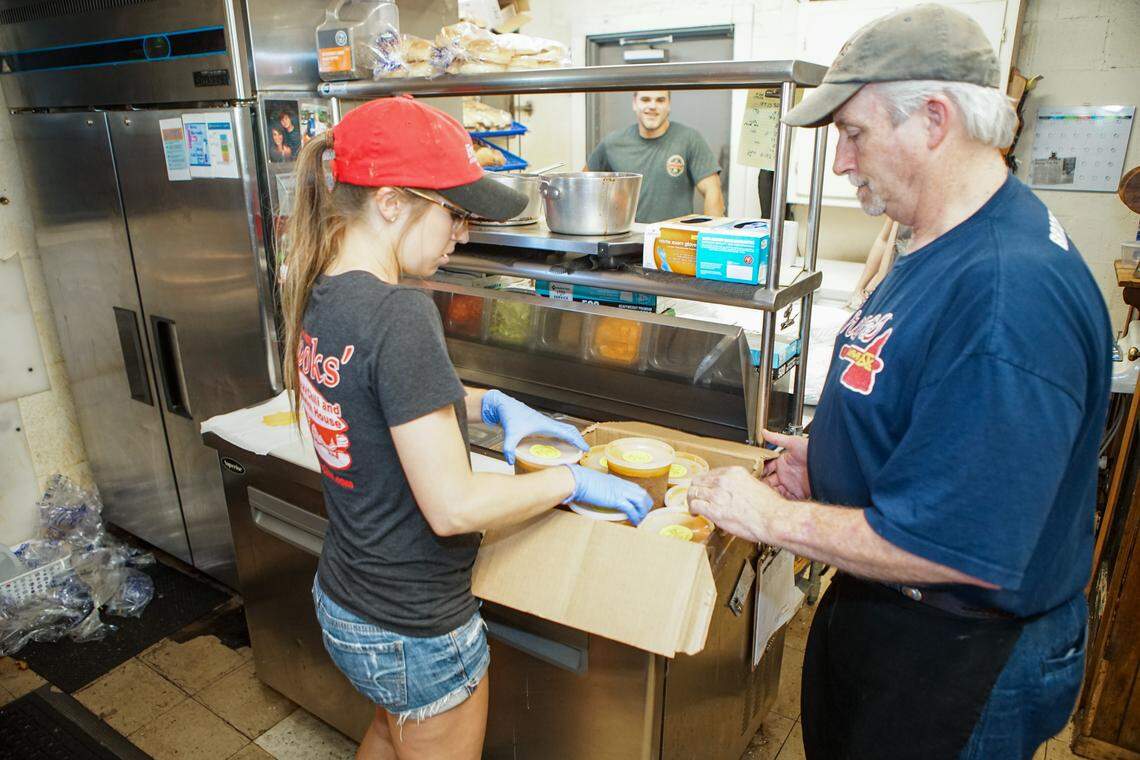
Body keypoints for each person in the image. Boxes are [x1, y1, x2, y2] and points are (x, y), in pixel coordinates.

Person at [687, 5, 1112, 760]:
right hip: (894, 624)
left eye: (853, 133)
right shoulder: (942, 242)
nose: (843, 161)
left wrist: (771, 518)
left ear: (934, 121)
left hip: (958, 656)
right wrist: (830, 461)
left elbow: (957, 544)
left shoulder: (1008, 295)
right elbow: (933, 413)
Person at [280, 95, 652, 760]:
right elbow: (454, 508)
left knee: (389, 730)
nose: (463, 232)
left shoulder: (325, 291)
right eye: (454, 212)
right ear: (392, 202)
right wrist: (571, 479)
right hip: (414, 625)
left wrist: (490, 404)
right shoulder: (400, 314)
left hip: (347, 599)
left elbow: (378, 394)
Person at [586, 91, 724, 223]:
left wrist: (711, 239)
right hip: (625, 241)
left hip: (673, 241)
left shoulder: (689, 139)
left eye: (660, 100)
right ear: (634, 103)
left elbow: (712, 190)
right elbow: (584, 185)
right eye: (645, 99)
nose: (652, 106)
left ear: (669, 104)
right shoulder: (612, 143)